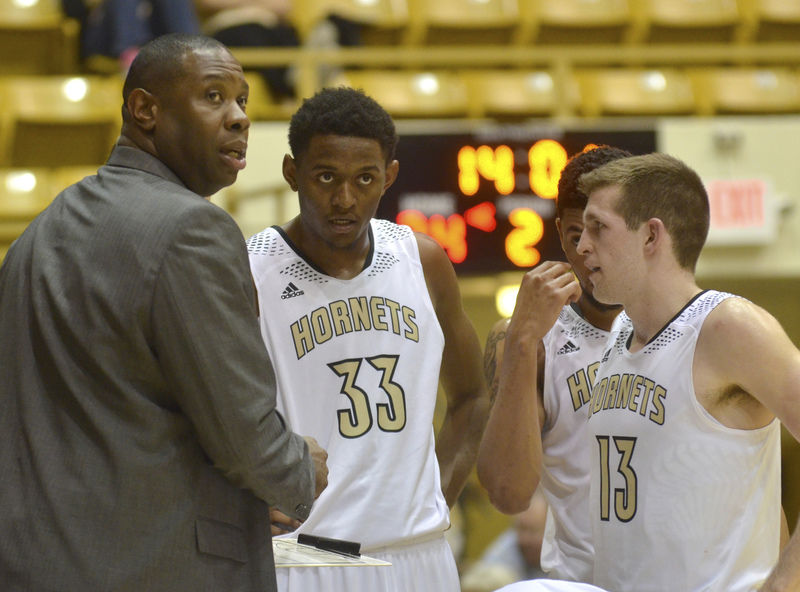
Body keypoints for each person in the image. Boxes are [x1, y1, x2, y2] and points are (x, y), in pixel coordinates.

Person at [0, 33, 327, 591]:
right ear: (145, 109)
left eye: (244, 101)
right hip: (156, 569)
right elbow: (242, 432)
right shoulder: (192, 229)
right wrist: (299, 469)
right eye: (214, 96)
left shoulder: (41, 229)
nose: (239, 118)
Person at [246, 86, 490, 591]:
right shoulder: (248, 270)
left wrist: (436, 496)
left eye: (365, 179)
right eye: (325, 177)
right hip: (306, 558)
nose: (344, 199)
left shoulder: (422, 260)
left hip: (420, 555)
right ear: (293, 173)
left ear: (390, 177)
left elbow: (472, 397)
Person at [575, 152, 800, 592]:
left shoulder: (727, 326)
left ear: (651, 236)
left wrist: (784, 582)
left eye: (597, 227)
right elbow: (750, 481)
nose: (582, 245)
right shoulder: (619, 332)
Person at [478, 146, 632, 582]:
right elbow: (508, 492)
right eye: (575, 233)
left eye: (604, 231)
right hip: (577, 582)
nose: (587, 250)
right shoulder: (532, 339)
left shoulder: (693, 326)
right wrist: (523, 339)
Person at [461, 489, 549, 592]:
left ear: (550, 532)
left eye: (533, 531)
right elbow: (478, 581)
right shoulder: (508, 548)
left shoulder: (564, 555)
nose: (525, 539)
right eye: (521, 529)